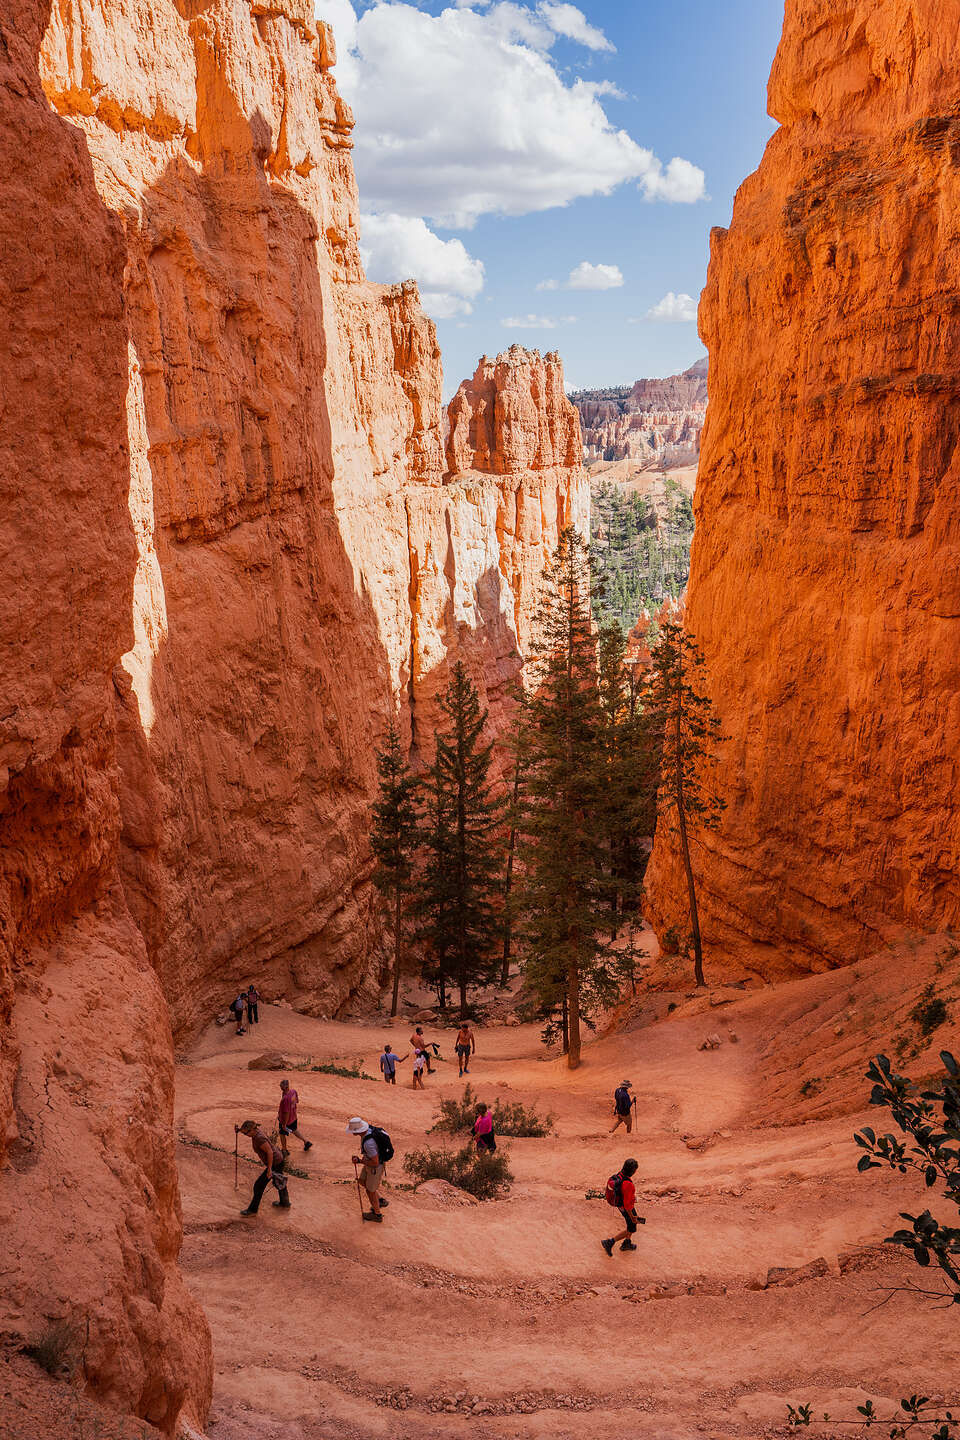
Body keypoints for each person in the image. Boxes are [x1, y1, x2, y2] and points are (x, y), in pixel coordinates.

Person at [238, 1119, 290, 1215]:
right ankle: (285, 1203)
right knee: (279, 1180)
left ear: (252, 1130)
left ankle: (253, 1210)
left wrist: (269, 1169)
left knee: (259, 1185)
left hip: (275, 1162)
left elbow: (269, 1152)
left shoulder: (259, 1138)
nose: (246, 1135)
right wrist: (238, 1130)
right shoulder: (255, 1131)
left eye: (246, 1134)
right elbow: (245, 1130)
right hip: (278, 1159)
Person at [346, 1117, 391, 1222]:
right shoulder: (369, 1131)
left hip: (374, 1168)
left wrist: (360, 1161)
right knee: (362, 1181)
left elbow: (375, 1162)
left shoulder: (368, 1143)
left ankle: (377, 1215)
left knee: (370, 1191)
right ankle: (380, 1200)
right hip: (370, 1164)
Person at [601, 1158, 643, 1255]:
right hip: (626, 1208)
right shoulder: (628, 1185)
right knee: (632, 1227)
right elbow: (627, 1205)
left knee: (632, 1225)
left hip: (620, 1205)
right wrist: (632, 1216)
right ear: (633, 1171)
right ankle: (610, 1242)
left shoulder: (617, 1176)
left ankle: (627, 1243)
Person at [277, 1078, 313, 1155]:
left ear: (285, 1087)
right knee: (294, 1130)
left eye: (281, 1086)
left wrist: (284, 1124)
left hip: (286, 1120)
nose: (280, 1087)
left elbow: (286, 1112)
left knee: (282, 1133)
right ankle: (306, 1142)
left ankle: (284, 1150)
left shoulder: (285, 1099)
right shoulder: (293, 1092)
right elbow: (297, 1101)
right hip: (294, 1117)